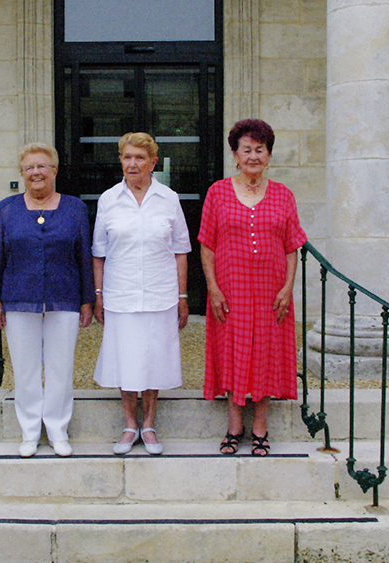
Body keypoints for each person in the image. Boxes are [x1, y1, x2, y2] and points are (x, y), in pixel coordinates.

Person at [198, 119, 308, 456]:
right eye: (246, 149)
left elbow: (292, 247)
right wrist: (213, 288)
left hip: (271, 292)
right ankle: (235, 426)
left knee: (266, 353)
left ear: (269, 155)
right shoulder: (217, 192)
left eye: (260, 149)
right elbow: (207, 245)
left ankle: (260, 426)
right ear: (235, 155)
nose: (253, 156)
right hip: (231, 291)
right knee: (231, 351)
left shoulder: (283, 195)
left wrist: (287, 288)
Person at [0, 142, 95, 458]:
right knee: (25, 370)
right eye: (29, 167)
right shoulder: (7, 208)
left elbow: (83, 255)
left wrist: (87, 300)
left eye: (42, 166)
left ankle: (58, 430)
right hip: (18, 298)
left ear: (54, 170)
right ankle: (30, 432)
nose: (36, 172)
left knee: (60, 369)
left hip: (64, 297)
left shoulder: (74, 208)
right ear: (22, 173)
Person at [92, 132, 191, 455]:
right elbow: (99, 252)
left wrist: (182, 297)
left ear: (153, 162)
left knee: (153, 359)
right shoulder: (109, 199)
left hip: (160, 293)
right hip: (120, 292)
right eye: (127, 157)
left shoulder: (169, 199)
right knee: (126, 359)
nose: (132, 163)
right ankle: (129, 424)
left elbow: (180, 250)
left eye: (139, 158)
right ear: (120, 160)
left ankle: (148, 424)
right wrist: (98, 294)